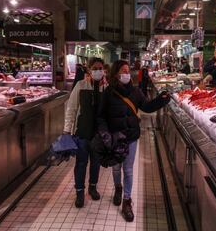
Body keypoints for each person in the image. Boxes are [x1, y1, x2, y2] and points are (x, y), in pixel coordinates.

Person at [97, 60, 170, 222]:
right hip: (114, 138)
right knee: (116, 168)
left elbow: (147, 107)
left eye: (128, 71)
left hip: (130, 137)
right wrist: (104, 133)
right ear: (116, 74)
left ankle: (127, 201)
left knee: (128, 169)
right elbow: (101, 116)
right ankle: (118, 188)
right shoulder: (108, 93)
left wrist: (162, 99)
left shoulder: (136, 92)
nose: (127, 74)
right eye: (123, 71)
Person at [63, 57, 107, 208]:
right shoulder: (80, 86)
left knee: (96, 163)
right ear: (88, 69)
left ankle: (92, 187)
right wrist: (67, 130)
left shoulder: (106, 88)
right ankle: (80, 192)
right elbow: (71, 109)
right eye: (95, 68)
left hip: (99, 135)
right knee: (81, 164)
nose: (98, 71)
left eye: (100, 68)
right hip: (82, 133)